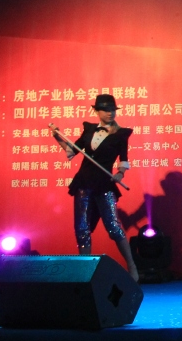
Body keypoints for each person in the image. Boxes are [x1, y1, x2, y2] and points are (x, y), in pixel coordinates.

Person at [49, 93, 139, 282]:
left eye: (112, 110)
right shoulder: (89, 130)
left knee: (113, 227)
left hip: (104, 184)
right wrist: (57, 136)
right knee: (82, 228)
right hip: (84, 182)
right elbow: (71, 151)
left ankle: (132, 266)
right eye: (105, 110)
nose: (110, 113)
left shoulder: (121, 134)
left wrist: (120, 174)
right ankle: (84, 272)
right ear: (97, 111)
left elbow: (124, 160)